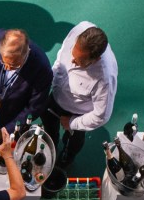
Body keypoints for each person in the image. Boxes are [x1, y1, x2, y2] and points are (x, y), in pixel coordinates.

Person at [43, 22, 117, 169]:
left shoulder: (105, 78)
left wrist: (72, 123)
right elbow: (60, 59)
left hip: (77, 113)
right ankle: (51, 146)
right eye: (73, 53)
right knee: (49, 129)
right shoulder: (79, 30)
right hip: (55, 97)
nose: (73, 61)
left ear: (96, 60)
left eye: (80, 61)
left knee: (73, 143)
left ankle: (65, 159)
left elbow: (101, 116)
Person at [0, 28, 53, 134]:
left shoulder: (42, 69)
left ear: (25, 54)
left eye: (13, 65)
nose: (6, 68)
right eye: (3, 62)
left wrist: (8, 129)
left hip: (11, 120)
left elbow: (34, 107)